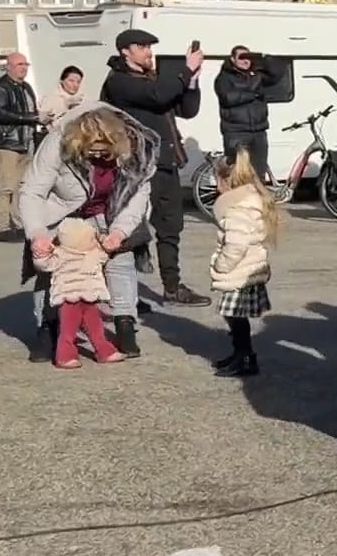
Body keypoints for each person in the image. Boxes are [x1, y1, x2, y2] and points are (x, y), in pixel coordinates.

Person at [17, 104, 157, 360]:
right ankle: (48, 327)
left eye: (105, 154)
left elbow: (138, 194)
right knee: (52, 267)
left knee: (120, 259)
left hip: (111, 209)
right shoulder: (57, 142)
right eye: (90, 153)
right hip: (63, 211)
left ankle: (125, 322)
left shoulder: (138, 148)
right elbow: (33, 190)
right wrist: (37, 233)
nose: (97, 159)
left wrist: (119, 232)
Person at [101, 29, 209, 307]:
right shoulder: (119, 81)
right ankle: (121, 293)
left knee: (170, 226)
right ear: (126, 51)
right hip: (136, 166)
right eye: (142, 46)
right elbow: (159, 96)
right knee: (129, 231)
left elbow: (186, 109)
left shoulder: (151, 78)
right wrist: (185, 70)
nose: (149, 51)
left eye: (150, 46)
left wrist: (193, 81)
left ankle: (172, 288)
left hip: (165, 162)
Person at [209, 152, 280, 378]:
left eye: (216, 180)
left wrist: (222, 265)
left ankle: (245, 357)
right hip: (248, 268)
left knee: (236, 317)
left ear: (225, 180)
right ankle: (240, 354)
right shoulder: (247, 201)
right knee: (234, 316)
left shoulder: (236, 207)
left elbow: (236, 244)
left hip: (240, 271)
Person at [35, 217, 121, 369]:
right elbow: (44, 264)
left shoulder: (92, 252)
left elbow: (105, 253)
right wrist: (41, 254)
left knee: (96, 327)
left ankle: (105, 351)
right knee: (68, 330)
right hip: (69, 299)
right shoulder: (60, 254)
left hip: (90, 299)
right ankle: (65, 356)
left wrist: (105, 243)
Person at [0, 52, 42, 236]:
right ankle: (2, 225)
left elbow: (32, 110)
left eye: (26, 64)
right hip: (8, 143)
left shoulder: (26, 87)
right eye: (19, 64)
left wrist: (39, 118)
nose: (24, 68)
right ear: (8, 66)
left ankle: (18, 223)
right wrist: (31, 118)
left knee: (22, 186)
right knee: (7, 186)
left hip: (26, 142)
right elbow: (1, 114)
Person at [212, 46, 280, 178]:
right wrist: (253, 94)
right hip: (236, 133)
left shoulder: (256, 75)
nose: (246, 61)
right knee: (237, 174)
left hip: (259, 132)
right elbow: (228, 98)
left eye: (249, 58)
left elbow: (277, 74)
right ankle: (237, 198)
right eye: (241, 57)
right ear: (232, 59)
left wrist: (264, 58)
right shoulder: (224, 78)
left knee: (259, 173)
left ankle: (258, 198)